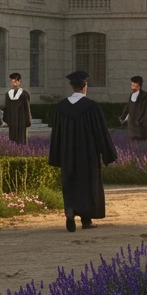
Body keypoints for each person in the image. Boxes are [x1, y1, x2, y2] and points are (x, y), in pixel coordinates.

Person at [48, 70, 118, 232]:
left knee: (70, 181)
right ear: (84, 86)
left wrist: (56, 156)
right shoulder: (92, 107)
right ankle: (86, 220)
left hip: (67, 154)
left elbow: (56, 134)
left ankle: (70, 211)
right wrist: (108, 153)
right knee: (87, 184)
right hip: (87, 155)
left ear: (72, 87)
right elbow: (101, 132)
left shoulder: (61, 107)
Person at [119, 75, 147, 141]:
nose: (133, 88)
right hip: (131, 123)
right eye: (132, 85)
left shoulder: (145, 95)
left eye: (135, 86)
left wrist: (141, 121)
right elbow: (128, 106)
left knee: (141, 140)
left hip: (140, 123)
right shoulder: (131, 95)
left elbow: (146, 109)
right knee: (133, 140)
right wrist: (123, 117)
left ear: (139, 86)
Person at [3, 73, 33, 145]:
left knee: (21, 139)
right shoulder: (8, 94)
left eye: (16, 82)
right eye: (13, 82)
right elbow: (6, 108)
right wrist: (6, 119)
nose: (14, 84)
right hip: (12, 121)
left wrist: (28, 120)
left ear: (19, 82)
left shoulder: (24, 94)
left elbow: (27, 108)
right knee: (12, 139)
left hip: (21, 121)